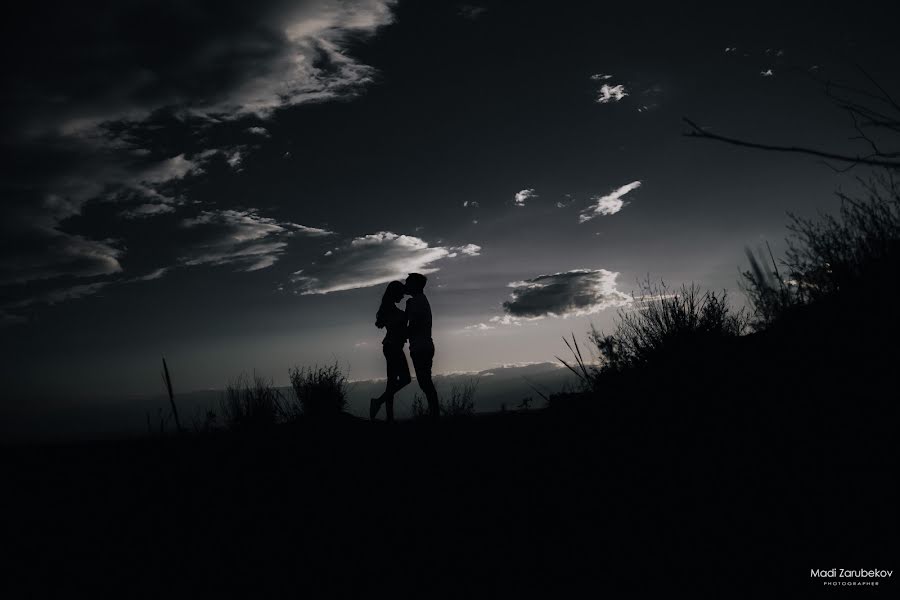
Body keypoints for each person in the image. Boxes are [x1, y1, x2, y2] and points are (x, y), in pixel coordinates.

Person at [370, 281, 411, 421]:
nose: (403, 296)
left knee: (392, 383)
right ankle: (378, 402)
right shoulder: (391, 310)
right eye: (401, 294)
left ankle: (389, 417)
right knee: (405, 379)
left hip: (391, 347)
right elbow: (398, 329)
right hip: (392, 347)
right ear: (395, 293)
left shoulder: (389, 309)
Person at [404, 272, 439, 418]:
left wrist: (400, 334)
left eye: (408, 283)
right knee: (425, 383)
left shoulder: (417, 302)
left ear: (414, 285)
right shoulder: (418, 301)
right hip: (423, 346)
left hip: (421, 347)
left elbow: (413, 325)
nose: (405, 285)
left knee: (425, 383)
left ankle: (434, 415)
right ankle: (434, 414)